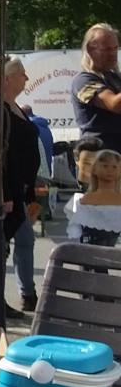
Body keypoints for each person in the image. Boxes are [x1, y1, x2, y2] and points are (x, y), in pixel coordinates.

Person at [0, 56, 41, 315]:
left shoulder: (13, 107)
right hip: (7, 189)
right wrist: (2, 190)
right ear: (7, 78)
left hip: (19, 188)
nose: (26, 79)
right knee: (1, 245)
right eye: (22, 74)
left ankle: (27, 294)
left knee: (23, 239)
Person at [71, 23, 121, 152]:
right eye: (107, 49)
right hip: (98, 159)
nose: (113, 54)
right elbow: (115, 105)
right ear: (90, 50)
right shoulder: (83, 81)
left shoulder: (114, 78)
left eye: (115, 48)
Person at [66, 149, 121, 247]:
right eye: (105, 166)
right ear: (94, 169)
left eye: (114, 167)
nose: (109, 170)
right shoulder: (87, 199)